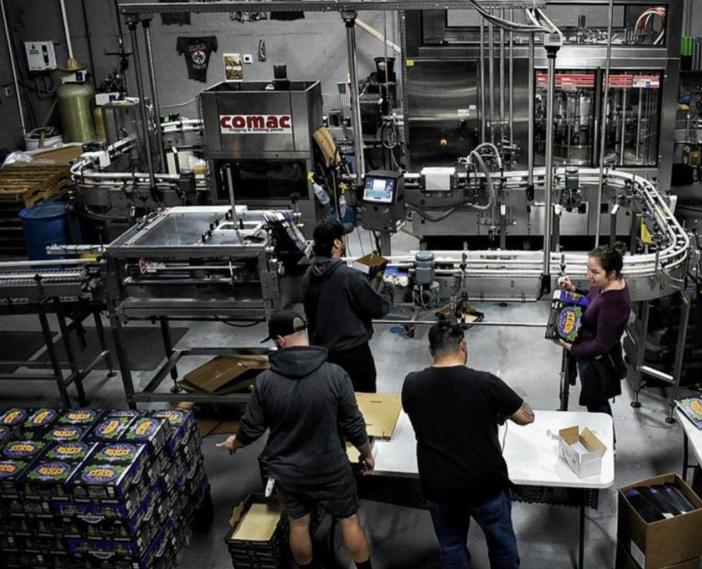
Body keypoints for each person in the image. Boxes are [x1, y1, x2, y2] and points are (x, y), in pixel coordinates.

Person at [217, 311, 375, 569]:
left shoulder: (265, 382)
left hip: (289, 472)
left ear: (280, 340)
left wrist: (235, 442)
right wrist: (365, 454)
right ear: (305, 333)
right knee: (349, 521)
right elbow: (353, 423)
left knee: (299, 524)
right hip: (330, 468)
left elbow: (252, 427)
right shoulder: (335, 374)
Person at [402, 321, 535, 569]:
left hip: (439, 486)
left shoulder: (412, 384)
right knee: (502, 548)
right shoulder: (486, 383)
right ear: (463, 345)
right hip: (485, 486)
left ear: (430, 350)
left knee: (452, 548)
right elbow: (526, 417)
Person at [303, 219, 393, 392]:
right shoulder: (349, 277)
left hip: (323, 357)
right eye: (343, 237)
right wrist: (388, 286)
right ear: (337, 243)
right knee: (362, 401)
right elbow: (379, 308)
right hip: (354, 357)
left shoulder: (309, 275)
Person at [553, 243, 631, 415]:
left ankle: (605, 433)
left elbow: (601, 345)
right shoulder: (606, 284)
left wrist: (571, 347)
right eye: (588, 269)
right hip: (589, 354)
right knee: (595, 405)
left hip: (598, 364)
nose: (589, 275)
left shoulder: (613, 303)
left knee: (598, 408)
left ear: (612, 273)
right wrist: (574, 289)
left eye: (595, 272)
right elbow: (592, 299)